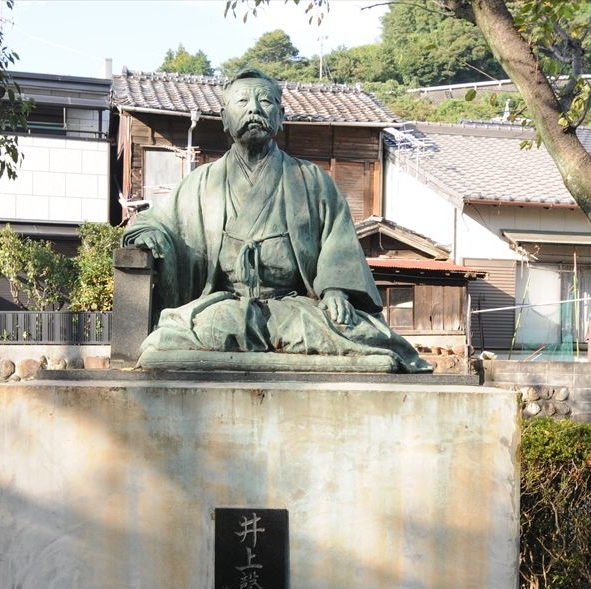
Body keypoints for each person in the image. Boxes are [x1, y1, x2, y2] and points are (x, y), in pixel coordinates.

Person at [122, 68, 432, 373]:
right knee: (193, 331)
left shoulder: (311, 180)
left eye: (265, 102)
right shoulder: (203, 182)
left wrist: (336, 290)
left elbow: (337, 243)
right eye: (242, 102)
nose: (254, 109)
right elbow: (156, 221)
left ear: (280, 116)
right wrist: (150, 234)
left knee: (362, 334)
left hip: (297, 308)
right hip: (229, 305)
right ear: (225, 119)